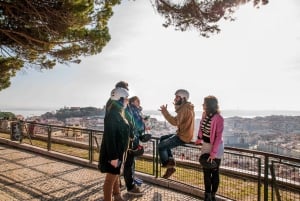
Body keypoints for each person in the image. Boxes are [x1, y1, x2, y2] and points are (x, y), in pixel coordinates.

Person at [107, 81, 143, 195]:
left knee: (118, 168)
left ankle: (117, 190)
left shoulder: (113, 103)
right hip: (123, 142)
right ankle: (130, 187)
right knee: (127, 164)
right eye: (126, 90)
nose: (128, 94)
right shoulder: (118, 107)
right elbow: (129, 122)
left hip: (122, 141)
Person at [98, 87, 131, 201]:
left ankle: (117, 196)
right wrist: (113, 157)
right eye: (126, 98)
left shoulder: (118, 112)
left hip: (119, 152)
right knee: (109, 180)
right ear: (120, 99)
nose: (128, 100)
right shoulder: (113, 115)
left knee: (115, 175)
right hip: (114, 153)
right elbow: (110, 137)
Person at [158, 89, 195, 179]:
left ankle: (170, 168)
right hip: (183, 134)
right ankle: (171, 163)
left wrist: (165, 112)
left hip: (182, 137)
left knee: (161, 146)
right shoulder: (186, 107)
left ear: (183, 98)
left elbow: (175, 122)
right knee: (163, 138)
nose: (175, 99)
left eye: (177, 97)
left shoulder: (184, 109)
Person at [195, 95, 224, 201]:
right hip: (206, 145)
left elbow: (218, 137)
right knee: (206, 171)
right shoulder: (204, 114)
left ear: (209, 105)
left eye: (204, 103)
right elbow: (201, 128)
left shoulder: (219, 118)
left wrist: (213, 153)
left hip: (216, 147)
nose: (202, 105)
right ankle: (207, 196)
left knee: (215, 172)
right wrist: (199, 138)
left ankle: (213, 195)